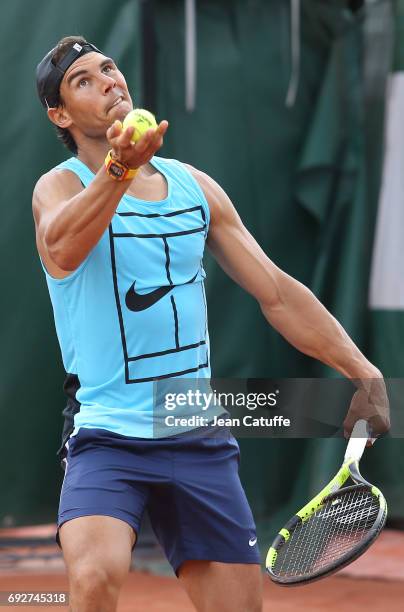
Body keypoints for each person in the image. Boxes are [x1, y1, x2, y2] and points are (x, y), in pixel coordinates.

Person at [33, 36, 389, 612]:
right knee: (94, 578)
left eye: (109, 68)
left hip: (195, 435)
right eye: (83, 81)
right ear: (61, 114)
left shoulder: (195, 188)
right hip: (106, 435)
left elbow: (277, 294)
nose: (108, 81)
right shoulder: (58, 187)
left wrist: (362, 369)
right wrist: (120, 168)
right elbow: (64, 250)